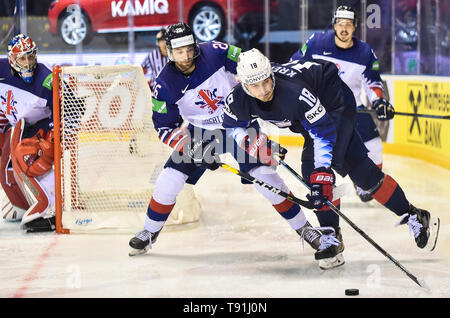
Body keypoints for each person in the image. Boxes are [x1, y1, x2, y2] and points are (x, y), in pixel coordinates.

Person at [222, 48, 440, 269]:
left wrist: (323, 171)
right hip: (309, 115)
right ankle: (406, 215)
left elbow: (323, 132)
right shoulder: (237, 98)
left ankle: (340, 234)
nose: (263, 90)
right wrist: (251, 143)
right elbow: (233, 126)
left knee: (322, 173)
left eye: (267, 82)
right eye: (255, 86)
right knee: (345, 174)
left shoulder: (293, 93)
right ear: (243, 84)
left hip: (333, 103)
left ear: (271, 74)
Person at [128, 22, 322, 257]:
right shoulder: (163, 84)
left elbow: (253, 66)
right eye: (179, 51)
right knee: (168, 179)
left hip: (238, 121)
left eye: (189, 48)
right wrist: (192, 148)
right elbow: (164, 127)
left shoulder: (216, 51)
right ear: (169, 52)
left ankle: (305, 229)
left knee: (268, 181)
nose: (186, 56)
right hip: (199, 132)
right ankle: (150, 231)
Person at [291, 5, 395, 202]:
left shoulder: (364, 52)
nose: (344, 28)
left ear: (355, 27)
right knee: (322, 152)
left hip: (352, 108)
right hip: (320, 109)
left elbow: (372, 81)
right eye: (340, 24)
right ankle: (323, 186)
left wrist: (379, 102)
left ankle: (367, 184)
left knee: (374, 147)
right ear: (334, 25)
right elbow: (295, 66)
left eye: (348, 24)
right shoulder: (317, 42)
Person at [0, 34, 56, 233]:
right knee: (5, 169)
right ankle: (21, 204)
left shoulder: (47, 77)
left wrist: (54, 137)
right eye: (22, 58)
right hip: (18, 127)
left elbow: (74, 106)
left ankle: (48, 206)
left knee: (25, 158)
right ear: (12, 60)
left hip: (43, 129)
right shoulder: (1, 70)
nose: (28, 63)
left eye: (31, 56)